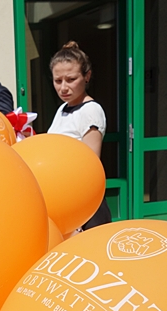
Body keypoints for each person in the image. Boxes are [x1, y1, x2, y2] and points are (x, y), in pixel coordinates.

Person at [47, 41, 111, 231]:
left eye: (71, 79)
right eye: (58, 81)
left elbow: (90, 162)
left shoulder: (91, 111)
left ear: (87, 76)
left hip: (83, 203)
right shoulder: (62, 108)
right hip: (63, 196)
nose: (63, 87)